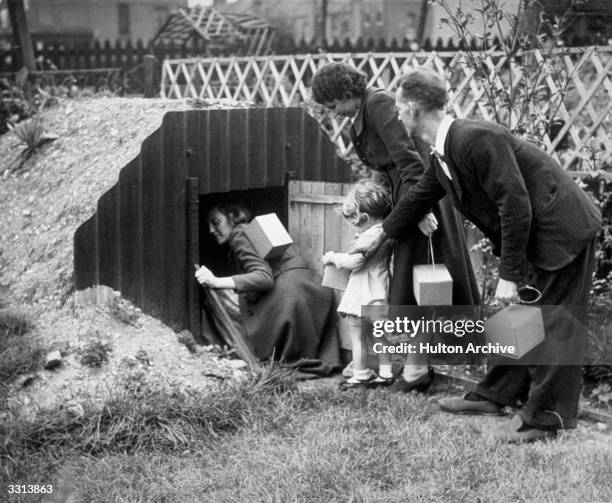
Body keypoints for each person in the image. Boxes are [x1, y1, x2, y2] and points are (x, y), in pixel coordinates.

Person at [357, 68, 601, 442]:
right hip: (538, 237)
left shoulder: (475, 137)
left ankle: (545, 420)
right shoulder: (444, 149)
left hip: (561, 234)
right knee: (518, 319)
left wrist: (508, 274)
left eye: (398, 109)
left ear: (411, 109)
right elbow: (420, 196)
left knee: (555, 323)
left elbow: (515, 205)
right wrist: (380, 233)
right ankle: (495, 395)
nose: (396, 116)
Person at [311, 62, 479, 392]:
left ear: (346, 92)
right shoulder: (359, 118)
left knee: (419, 279)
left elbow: (409, 158)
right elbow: (382, 169)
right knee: (409, 282)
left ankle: (417, 372)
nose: (333, 113)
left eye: (333, 105)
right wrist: (377, 210)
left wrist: (418, 210)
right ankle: (416, 367)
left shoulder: (378, 103)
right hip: (402, 199)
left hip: (420, 195)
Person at [195, 204, 342, 377]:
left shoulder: (240, 234)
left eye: (216, 222)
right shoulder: (253, 230)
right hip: (315, 289)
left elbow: (263, 277)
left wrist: (216, 281)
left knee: (215, 296)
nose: (211, 229)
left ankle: (240, 352)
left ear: (232, 217)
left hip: (291, 294)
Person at [321, 181, 395, 388]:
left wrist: (332, 258)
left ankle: (360, 375)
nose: (352, 222)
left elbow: (355, 261)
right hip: (380, 291)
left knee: (359, 337)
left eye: (354, 217)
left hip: (363, 292)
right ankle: (386, 373)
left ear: (366, 217)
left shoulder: (369, 236)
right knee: (381, 337)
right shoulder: (386, 231)